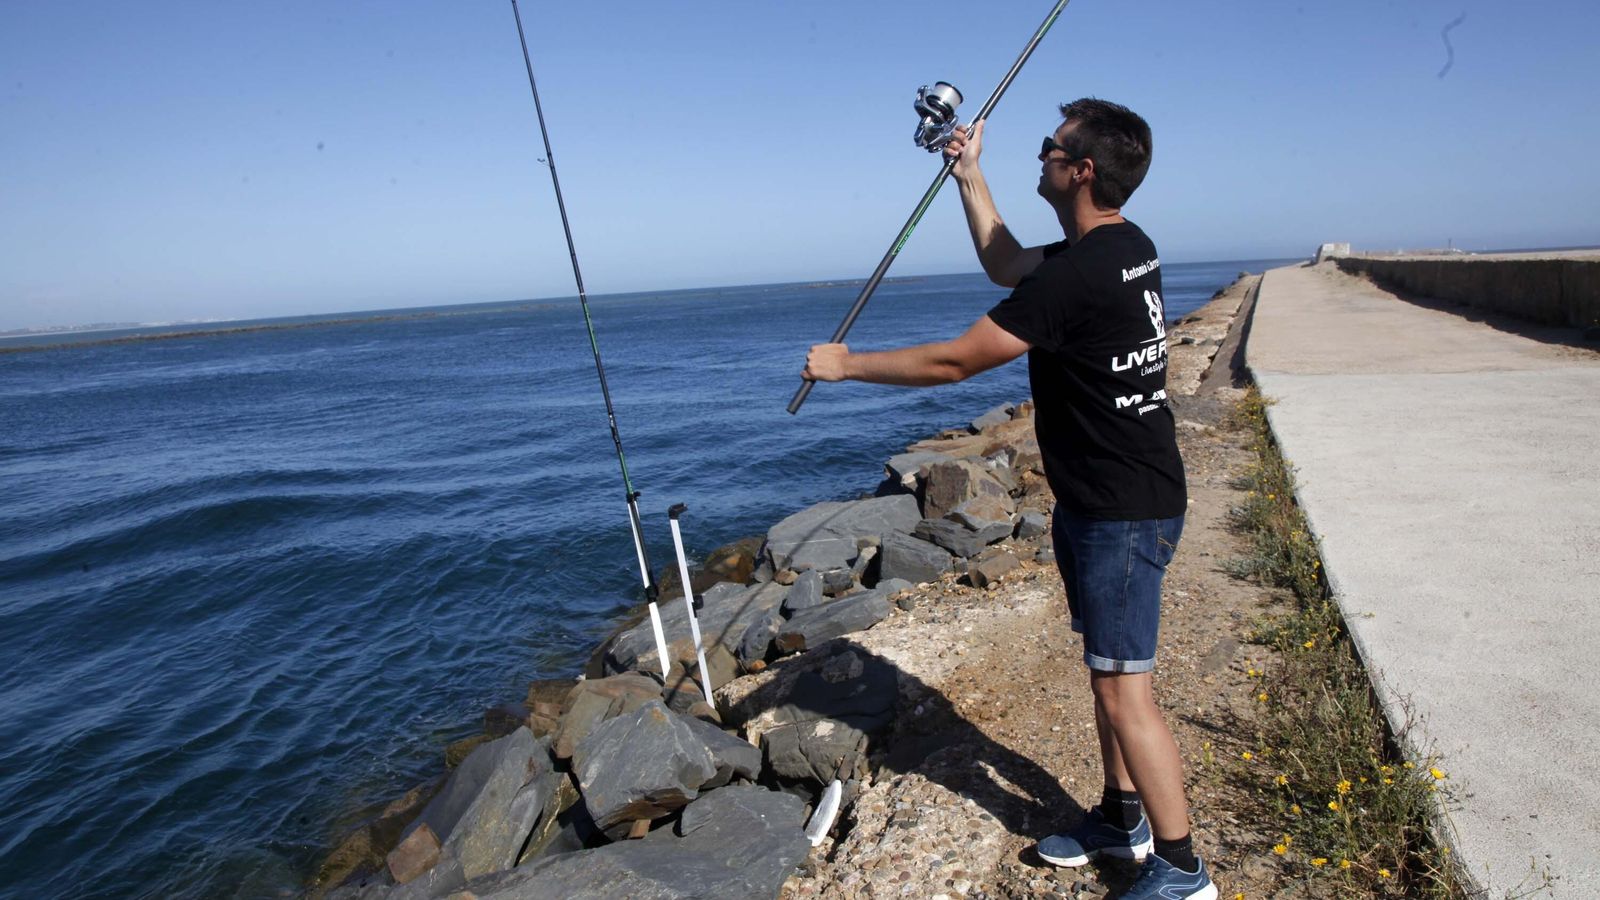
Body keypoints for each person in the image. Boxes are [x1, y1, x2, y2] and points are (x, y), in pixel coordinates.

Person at [802, 98, 1215, 900]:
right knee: (1106, 671)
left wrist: (848, 367)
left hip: (1123, 509)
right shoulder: (1122, 248)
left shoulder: (1082, 274)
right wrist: (969, 173)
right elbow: (1006, 262)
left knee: (1124, 689)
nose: (1042, 156)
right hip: (1109, 498)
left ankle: (1182, 869)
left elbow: (957, 363)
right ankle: (1120, 817)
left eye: (1050, 148)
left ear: (1081, 170)